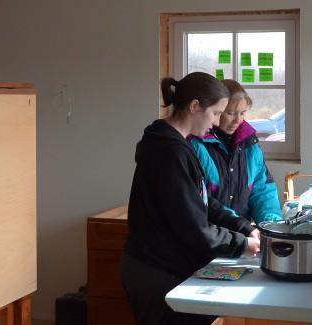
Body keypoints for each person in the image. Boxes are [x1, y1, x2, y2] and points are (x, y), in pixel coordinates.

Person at [120, 72, 260, 325]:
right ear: (195, 106)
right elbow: (193, 226)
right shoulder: (169, 152)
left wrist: (244, 227)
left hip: (165, 264)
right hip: (155, 269)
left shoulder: (179, 145)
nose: (217, 122)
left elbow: (204, 201)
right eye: (216, 113)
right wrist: (240, 244)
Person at [189, 79, 282, 225]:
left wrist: (270, 224)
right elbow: (200, 199)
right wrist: (239, 226)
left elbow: (262, 189)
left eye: (243, 113)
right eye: (231, 113)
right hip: (210, 237)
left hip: (242, 236)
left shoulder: (250, 144)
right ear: (217, 111)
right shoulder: (196, 144)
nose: (238, 120)